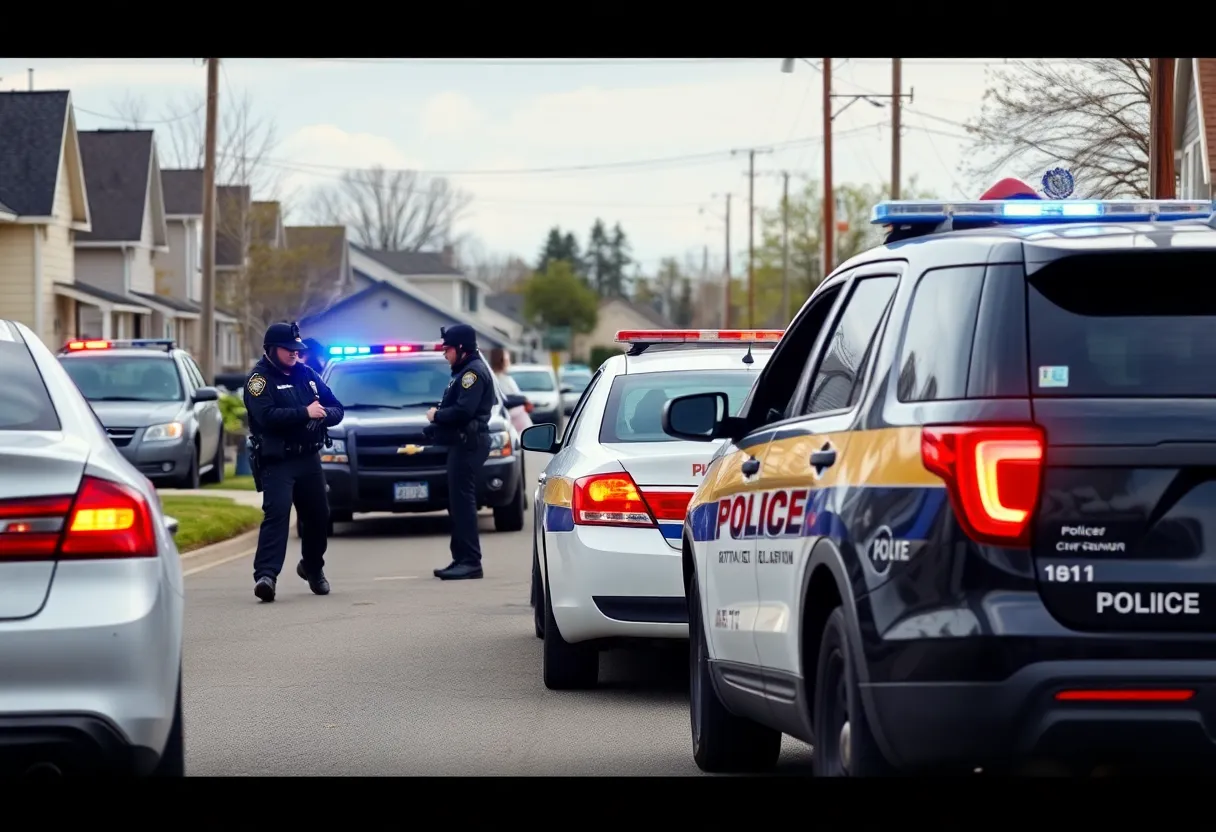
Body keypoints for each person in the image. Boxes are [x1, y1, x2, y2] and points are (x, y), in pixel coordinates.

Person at [244, 322, 345, 602]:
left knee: (319, 515)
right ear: (271, 349)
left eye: (296, 349)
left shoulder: (307, 375)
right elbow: (267, 416)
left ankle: (312, 568)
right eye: (287, 349)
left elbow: (337, 407)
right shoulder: (259, 380)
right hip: (278, 459)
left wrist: (322, 414)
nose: (293, 354)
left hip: (308, 457)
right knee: (277, 514)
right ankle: (266, 576)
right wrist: (305, 412)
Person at [427, 325, 495, 581]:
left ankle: (470, 561)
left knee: (463, 504)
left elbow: (464, 411)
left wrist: (437, 415)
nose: (445, 354)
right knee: (457, 503)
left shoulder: (472, 374)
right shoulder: (465, 371)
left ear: (461, 348)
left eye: (448, 349)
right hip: (463, 443)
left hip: (470, 444)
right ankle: (460, 558)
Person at [489, 347, 532, 434]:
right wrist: (523, 400)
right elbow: (504, 399)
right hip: (509, 422)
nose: (509, 362)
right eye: (507, 359)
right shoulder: (496, 380)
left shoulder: (506, 379)